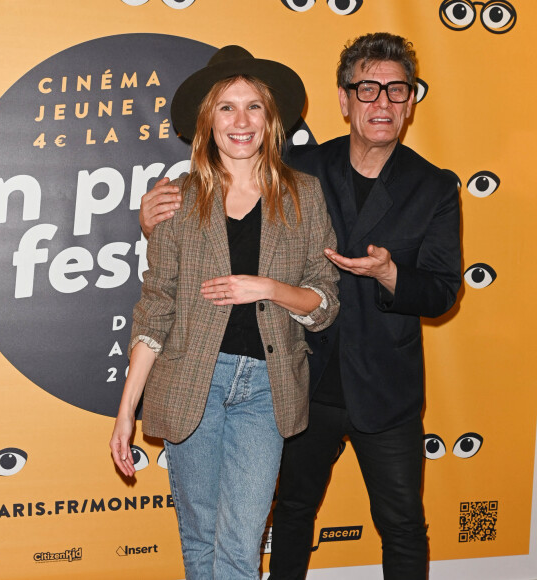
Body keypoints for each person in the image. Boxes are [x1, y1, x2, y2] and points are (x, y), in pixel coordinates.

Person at [140, 33, 461, 580]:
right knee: (289, 514)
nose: (381, 102)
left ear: (411, 103)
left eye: (396, 90)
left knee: (403, 523)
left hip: (386, 387)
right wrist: (152, 219)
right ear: (344, 99)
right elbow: (223, 194)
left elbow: (442, 291)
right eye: (367, 89)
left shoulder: (435, 187)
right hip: (298, 379)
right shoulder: (299, 168)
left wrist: (391, 274)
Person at [109, 45, 339, 580]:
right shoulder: (178, 200)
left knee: (241, 539)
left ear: (271, 118)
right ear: (207, 122)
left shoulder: (304, 195)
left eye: (254, 106)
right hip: (191, 382)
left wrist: (269, 288)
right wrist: (126, 411)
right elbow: (155, 309)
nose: (241, 120)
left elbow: (324, 301)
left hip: (268, 389)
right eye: (226, 107)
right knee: (199, 537)